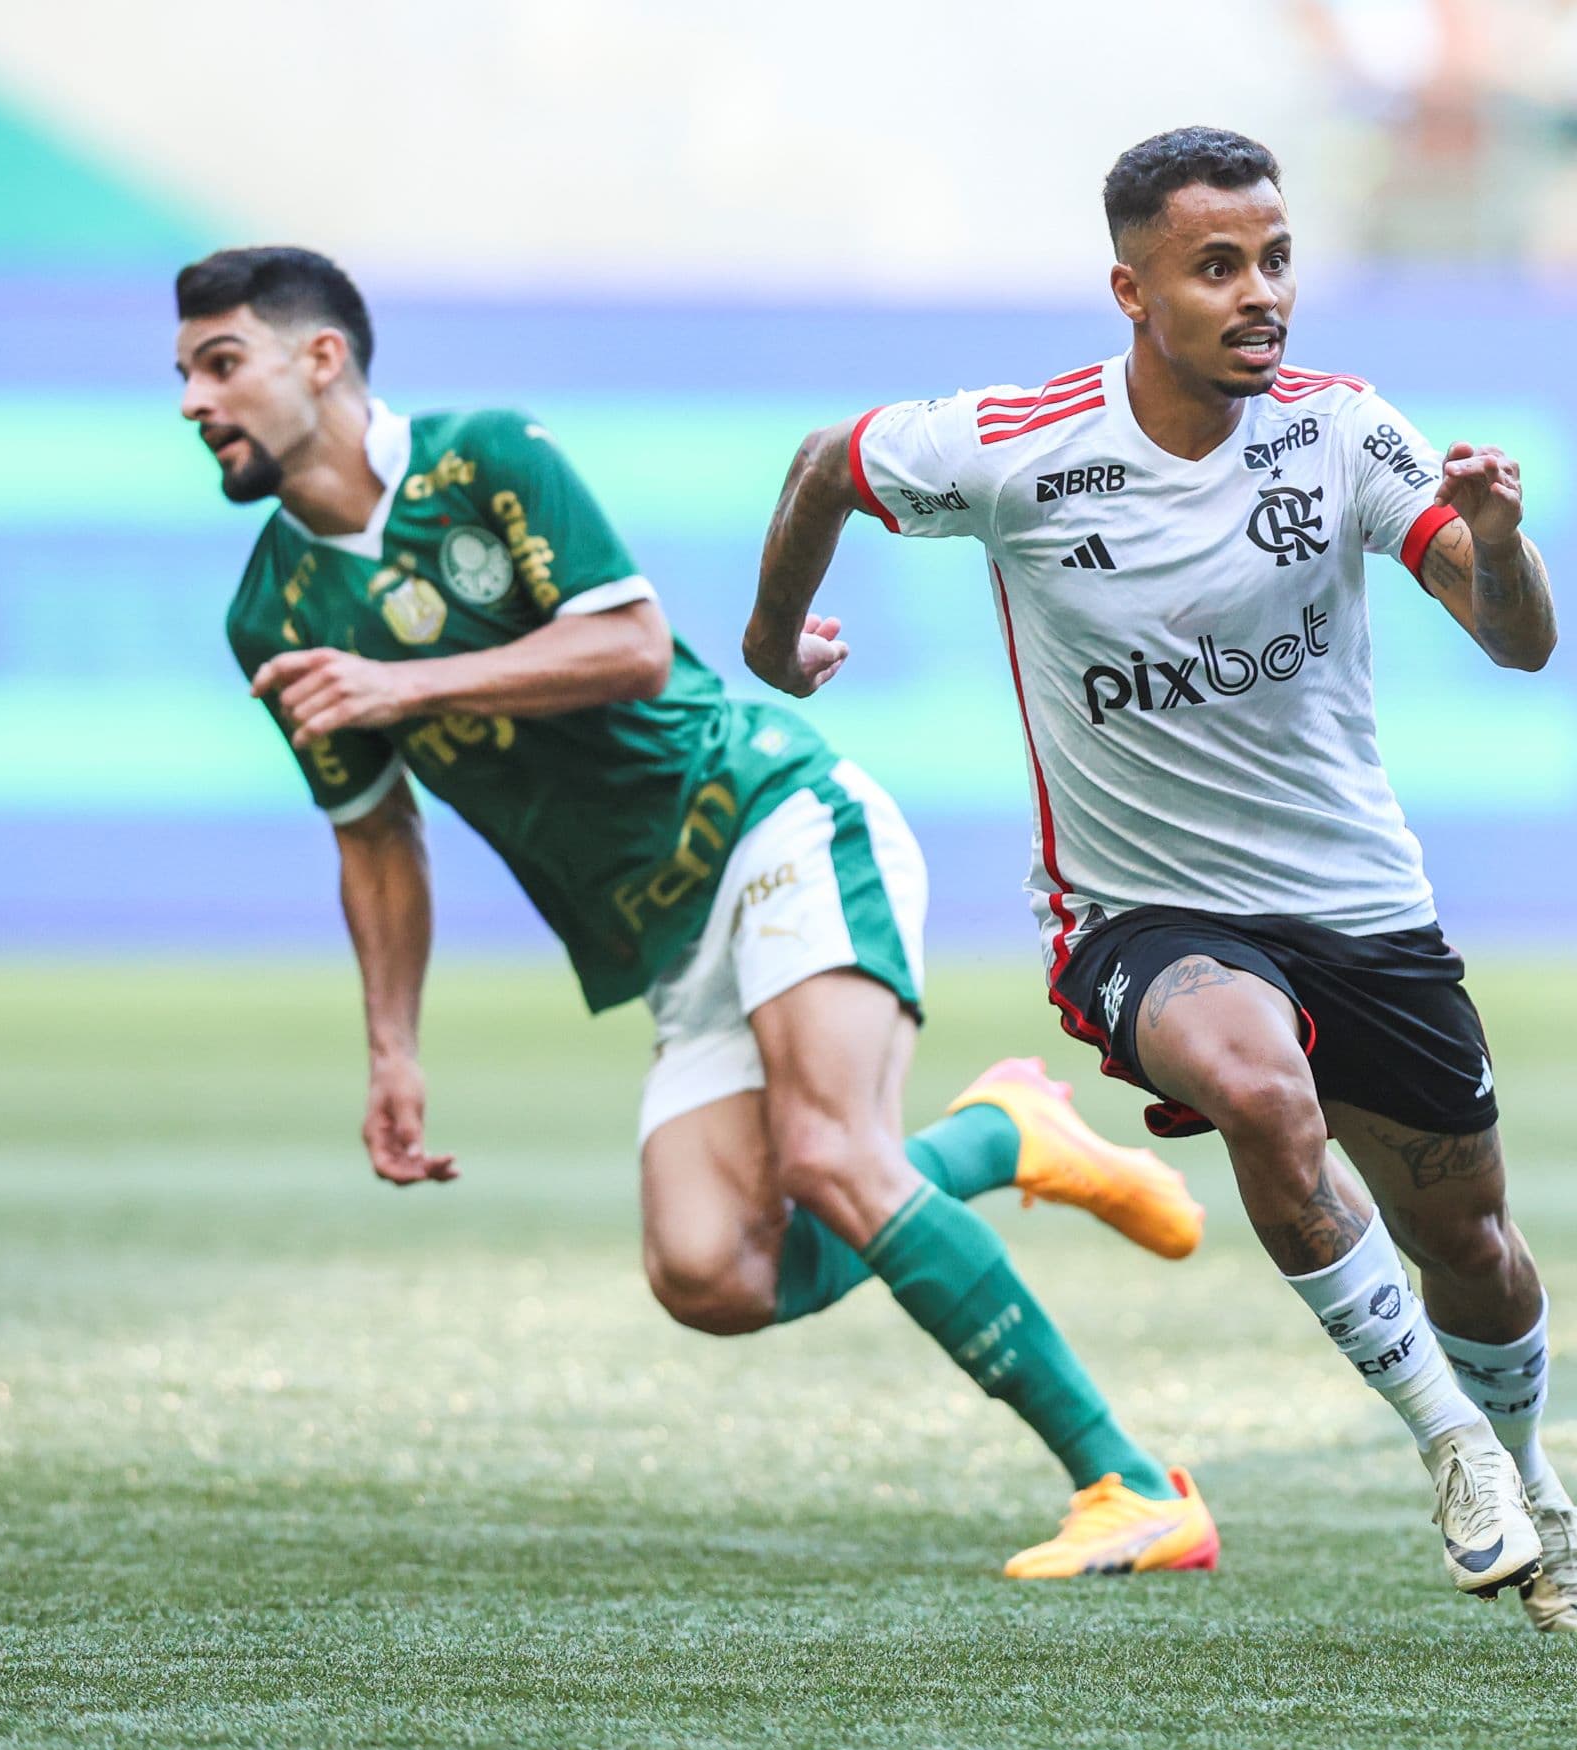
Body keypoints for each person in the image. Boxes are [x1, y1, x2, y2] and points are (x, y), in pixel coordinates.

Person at [176, 244, 1219, 1578]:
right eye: (184, 376)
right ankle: (995, 1138)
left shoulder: (486, 456)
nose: (196, 403)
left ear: (318, 359)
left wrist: (400, 688)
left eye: (221, 365)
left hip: (772, 815)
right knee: (710, 1277)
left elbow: (626, 647)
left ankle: (1128, 1486)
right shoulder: (269, 609)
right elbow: (376, 836)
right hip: (665, 935)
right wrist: (392, 1047)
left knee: (836, 1157)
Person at [745, 129, 1577, 1632]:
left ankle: (1537, 1480)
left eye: (1274, 258)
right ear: (1131, 290)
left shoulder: (1341, 432)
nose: (1258, 292)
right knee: (1262, 1093)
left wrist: (1496, 541)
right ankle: (1453, 1450)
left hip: (1357, 903)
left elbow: (1516, 639)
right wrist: (775, 646)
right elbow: (828, 462)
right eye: (1216, 266)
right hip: (1142, 915)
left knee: (1469, 1247)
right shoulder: (1022, 446)